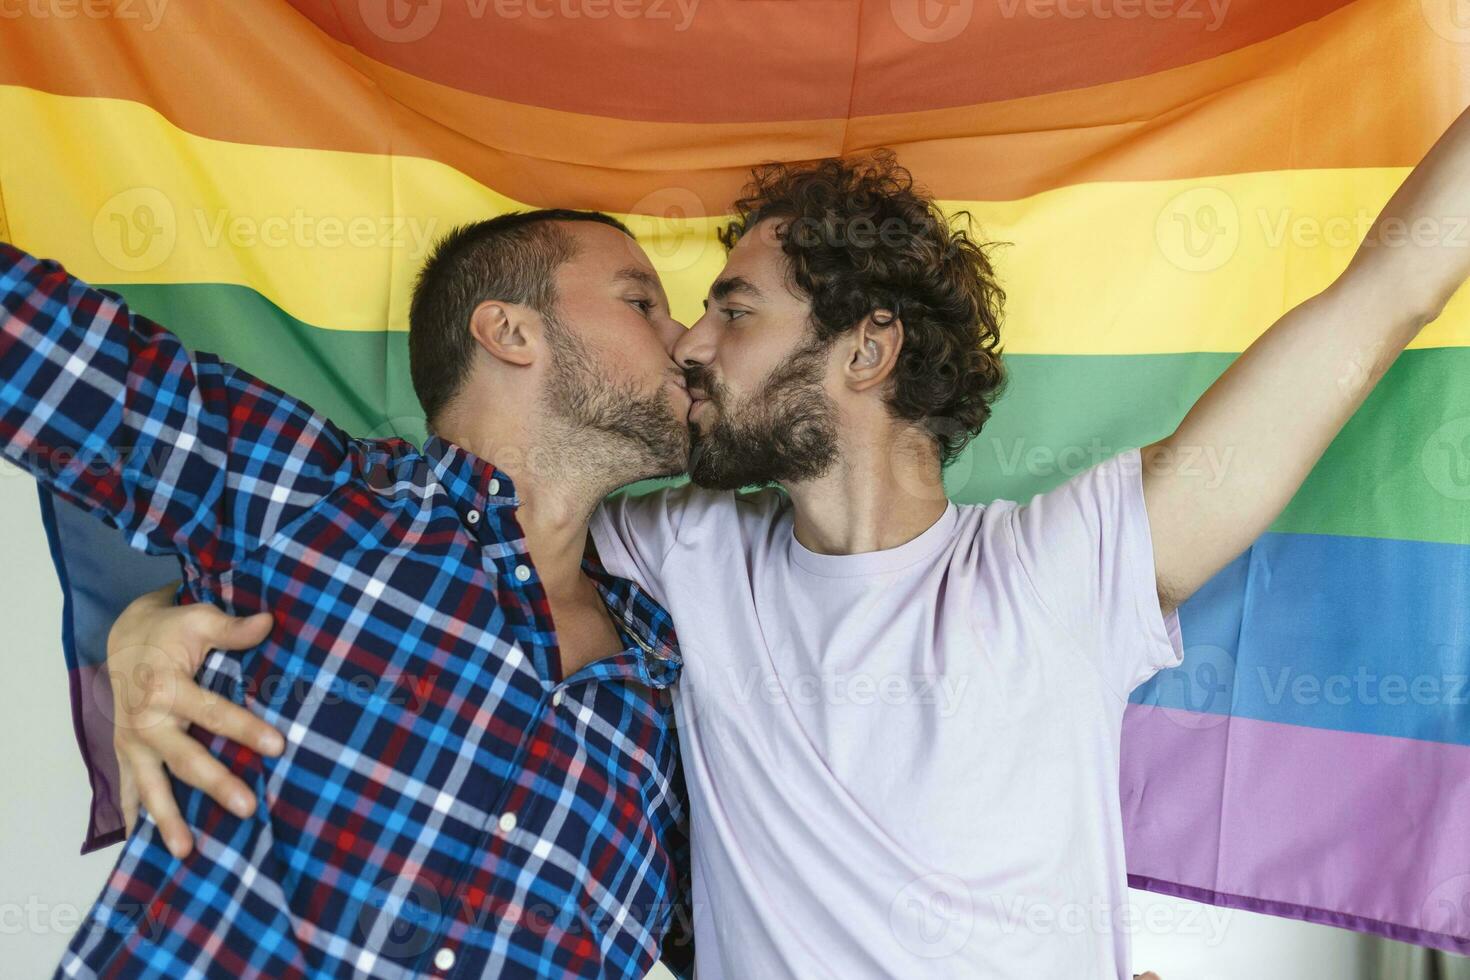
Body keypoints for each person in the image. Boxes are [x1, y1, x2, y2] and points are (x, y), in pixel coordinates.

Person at [101, 99, 1470, 977]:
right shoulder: (673, 563)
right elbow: (439, 535)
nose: (687, 345)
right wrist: (153, 619)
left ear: (865, 346)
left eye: (732, 310)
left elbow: (1384, 293)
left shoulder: (1065, 565)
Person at [0, 211, 700, 978]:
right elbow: (37, 348)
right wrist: (145, 616)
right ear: (509, 332)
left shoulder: (674, 690)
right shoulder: (310, 495)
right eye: (643, 303)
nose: (688, 340)